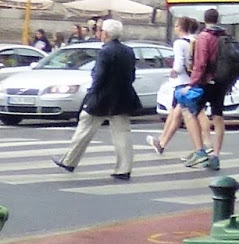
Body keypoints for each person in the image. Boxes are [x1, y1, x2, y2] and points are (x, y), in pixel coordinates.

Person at [51, 19, 140, 180]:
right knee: (122, 133)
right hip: (123, 96)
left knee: (84, 127)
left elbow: (99, 76)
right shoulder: (128, 51)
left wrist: (92, 93)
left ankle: (69, 161)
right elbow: (131, 75)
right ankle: (124, 169)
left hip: (101, 97)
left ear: (105, 33)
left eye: (100, 30)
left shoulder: (105, 51)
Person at [183, 8, 239, 172]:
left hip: (206, 81)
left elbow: (201, 63)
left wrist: (192, 83)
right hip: (222, 81)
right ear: (217, 19)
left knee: (190, 111)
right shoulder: (226, 36)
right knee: (218, 116)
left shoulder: (204, 36)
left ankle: (200, 151)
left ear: (205, 19)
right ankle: (216, 155)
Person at [147, 17, 204, 157]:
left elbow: (179, 64)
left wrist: (173, 72)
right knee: (177, 113)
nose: (175, 28)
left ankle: (201, 147)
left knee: (182, 113)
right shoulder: (195, 41)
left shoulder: (179, 43)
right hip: (193, 80)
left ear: (181, 27)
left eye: (177, 25)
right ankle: (162, 142)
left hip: (182, 82)